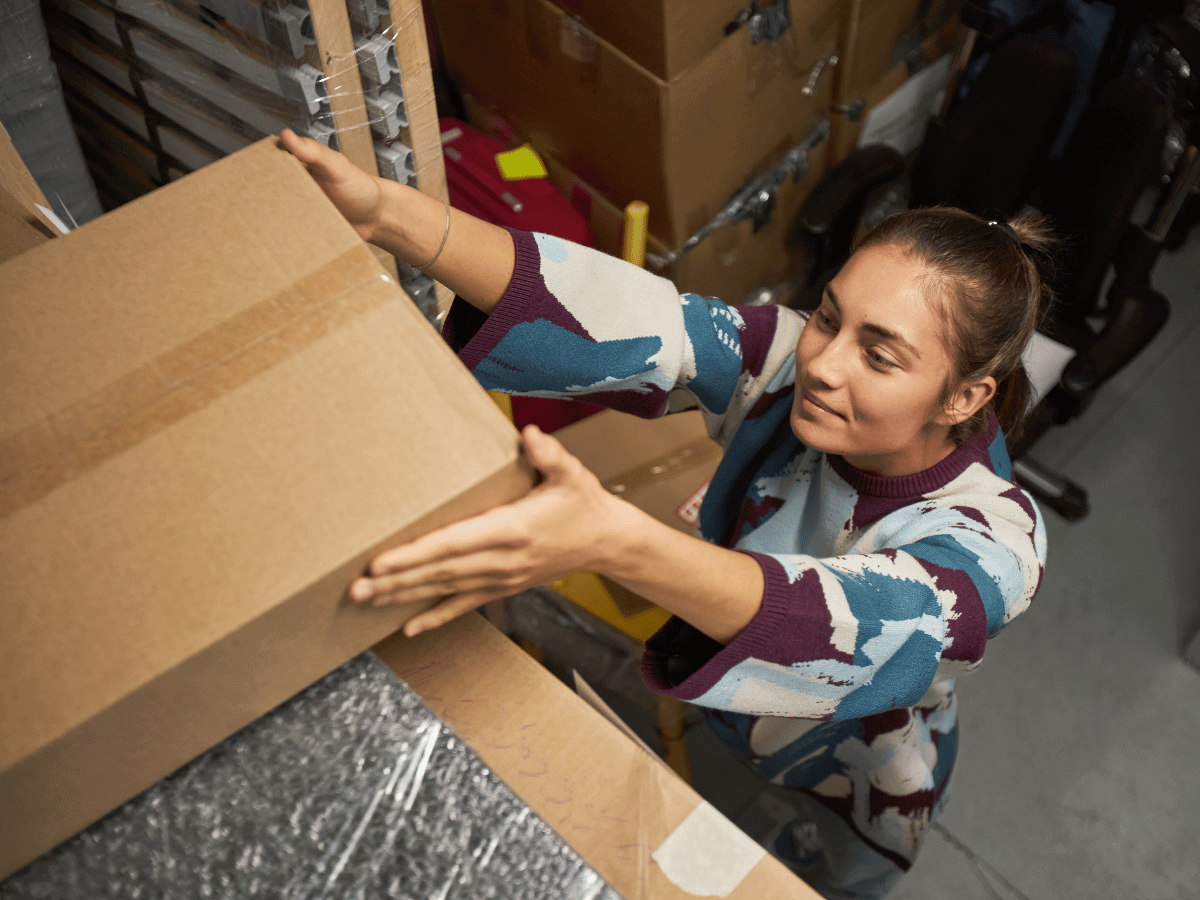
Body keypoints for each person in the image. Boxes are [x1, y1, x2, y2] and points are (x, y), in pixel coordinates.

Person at [279, 128, 1049, 899]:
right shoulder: (787, 361)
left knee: (837, 875)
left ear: (964, 395)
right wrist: (392, 218)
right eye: (828, 317)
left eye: (880, 356)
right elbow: (634, 316)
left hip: (862, 768)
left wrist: (615, 541)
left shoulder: (999, 546)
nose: (822, 363)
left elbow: (858, 626)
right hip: (735, 706)